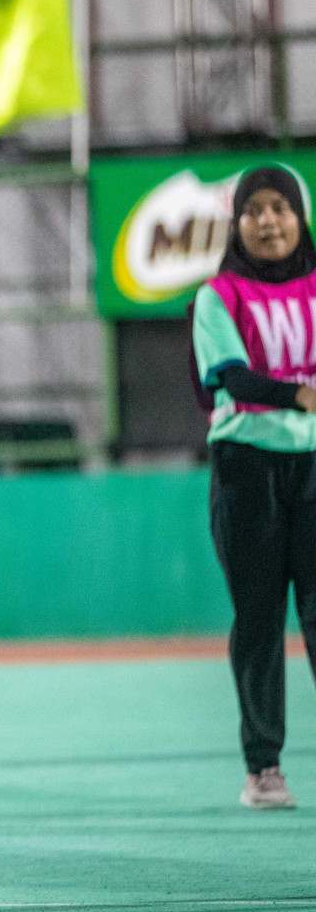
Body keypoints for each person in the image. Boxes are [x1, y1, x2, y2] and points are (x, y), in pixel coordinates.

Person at [191, 164, 316, 811]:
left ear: (301, 216)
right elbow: (233, 379)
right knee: (261, 618)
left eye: (281, 208)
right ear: (237, 224)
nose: (269, 221)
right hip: (247, 470)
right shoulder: (220, 296)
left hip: (313, 465)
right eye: (254, 210)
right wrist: (299, 392)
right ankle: (263, 768)